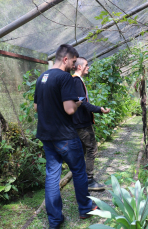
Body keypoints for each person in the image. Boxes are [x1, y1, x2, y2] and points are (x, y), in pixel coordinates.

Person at [34, 45, 97, 229]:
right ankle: (85, 208)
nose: (74, 65)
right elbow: (69, 109)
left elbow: (37, 108)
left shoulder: (41, 78)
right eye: (73, 61)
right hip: (66, 136)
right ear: (65, 59)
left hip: (47, 136)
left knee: (52, 176)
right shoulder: (64, 78)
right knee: (78, 170)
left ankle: (54, 219)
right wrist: (77, 104)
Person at [72, 57, 110, 191]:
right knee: (92, 149)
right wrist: (100, 109)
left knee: (82, 150)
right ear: (79, 67)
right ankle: (89, 180)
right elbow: (83, 104)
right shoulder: (76, 81)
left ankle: (82, 179)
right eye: (86, 65)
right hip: (82, 123)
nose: (88, 67)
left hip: (80, 122)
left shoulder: (77, 81)